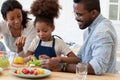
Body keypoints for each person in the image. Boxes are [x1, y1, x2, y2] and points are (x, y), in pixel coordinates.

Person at [41, 0, 117, 75]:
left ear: (93, 13)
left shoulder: (102, 31)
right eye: (75, 14)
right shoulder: (89, 31)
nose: (76, 18)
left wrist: (62, 66)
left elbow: (97, 68)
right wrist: (57, 60)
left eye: (79, 14)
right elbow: (80, 60)